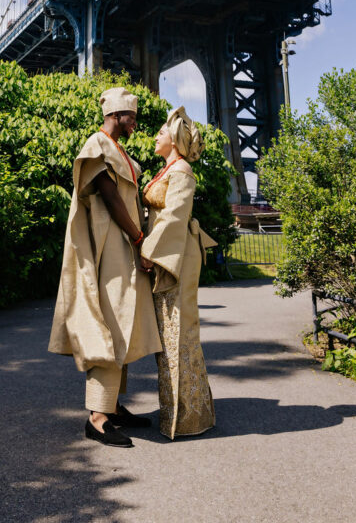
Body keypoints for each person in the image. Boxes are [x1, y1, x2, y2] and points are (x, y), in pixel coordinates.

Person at [49, 86, 161, 448]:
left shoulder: (116, 150)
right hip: (110, 244)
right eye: (132, 116)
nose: (136, 123)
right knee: (110, 322)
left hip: (121, 243)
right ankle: (97, 417)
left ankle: (111, 406)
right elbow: (112, 199)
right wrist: (139, 236)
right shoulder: (96, 146)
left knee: (123, 320)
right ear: (116, 114)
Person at [140, 106, 216, 441]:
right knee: (169, 335)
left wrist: (147, 252)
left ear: (175, 139)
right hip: (167, 253)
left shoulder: (182, 170)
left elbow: (174, 217)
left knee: (180, 332)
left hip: (178, 257)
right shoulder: (168, 168)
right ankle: (179, 412)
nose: (155, 135)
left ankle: (189, 418)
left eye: (161, 131)